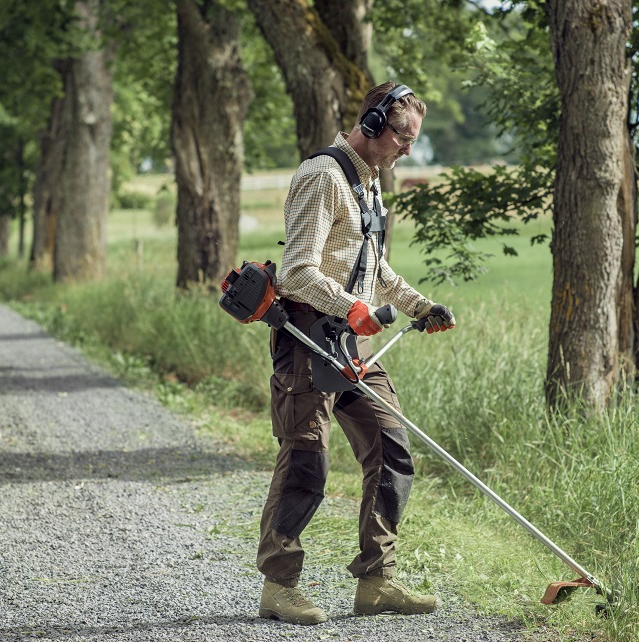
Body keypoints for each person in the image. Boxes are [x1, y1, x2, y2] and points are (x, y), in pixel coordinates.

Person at [256, 82, 456, 625]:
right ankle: (279, 585)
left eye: (413, 139)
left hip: (353, 341)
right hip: (306, 340)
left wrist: (418, 305)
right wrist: (352, 308)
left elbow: (376, 269)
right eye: (401, 136)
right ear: (370, 124)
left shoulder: (369, 183)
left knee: (391, 448)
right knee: (306, 459)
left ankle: (377, 580)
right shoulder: (322, 176)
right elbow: (297, 271)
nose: (407, 149)